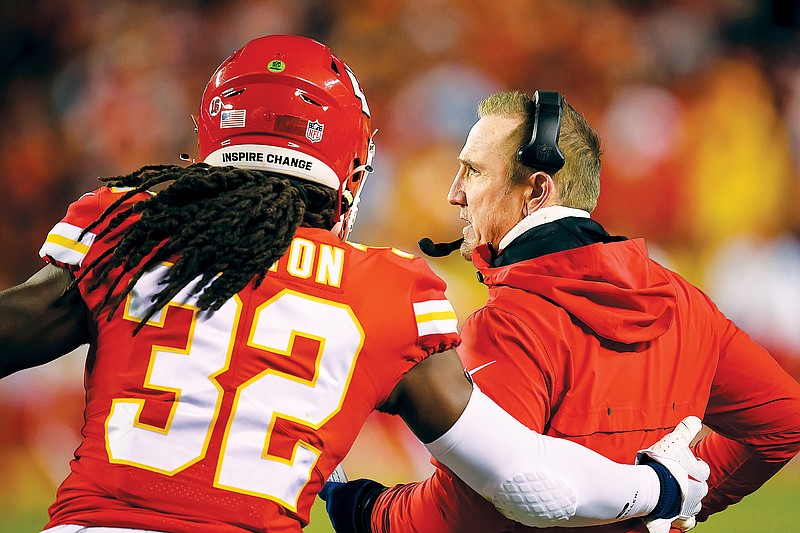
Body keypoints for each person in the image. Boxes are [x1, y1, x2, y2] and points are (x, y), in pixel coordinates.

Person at [0, 37, 708, 533]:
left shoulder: (130, 223)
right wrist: (661, 484)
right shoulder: (382, 290)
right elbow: (530, 484)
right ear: (348, 167)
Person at [321, 90, 800, 533]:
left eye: (474, 171)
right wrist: (676, 499)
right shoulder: (687, 304)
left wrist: (361, 508)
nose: (454, 193)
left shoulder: (508, 324)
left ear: (536, 190)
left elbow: (465, 516)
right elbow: (784, 422)